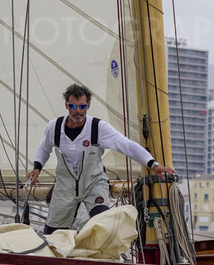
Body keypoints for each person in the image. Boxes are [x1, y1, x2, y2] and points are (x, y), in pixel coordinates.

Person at [27, 83, 170, 232]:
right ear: (66, 105)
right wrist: (37, 167)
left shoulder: (98, 128)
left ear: (88, 105)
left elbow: (127, 145)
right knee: (52, 233)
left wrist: (153, 164)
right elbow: (44, 148)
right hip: (64, 187)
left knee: (102, 224)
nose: (77, 111)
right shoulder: (54, 128)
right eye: (73, 106)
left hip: (94, 183)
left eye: (82, 107)